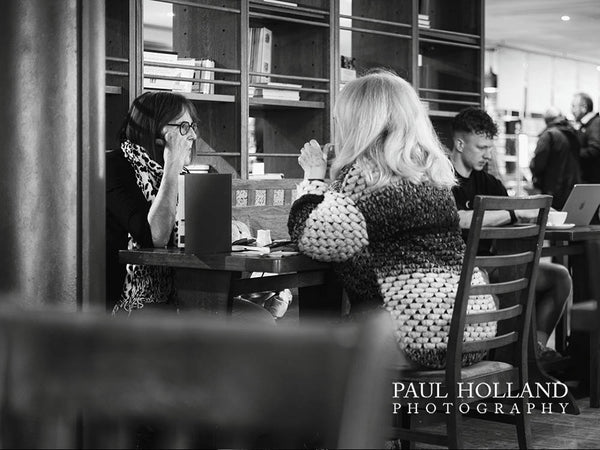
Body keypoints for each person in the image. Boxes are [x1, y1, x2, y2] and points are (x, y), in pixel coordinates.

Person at [287, 69, 497, 370]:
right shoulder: (432, 172)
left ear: (358, 123)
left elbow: (309, 234)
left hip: (421, 336)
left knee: (312, 346)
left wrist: (314, 177)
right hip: (471, 329)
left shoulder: (365, 175)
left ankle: (338, 416)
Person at [106, 91, 276, 322]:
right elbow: (155, 237)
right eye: (184, 126)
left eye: (193, 125)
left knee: (259, 319)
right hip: (131, 301)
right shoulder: (116, 167)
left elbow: (199, 238)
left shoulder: (180, 176)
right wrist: (172, 164)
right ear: (155, 131)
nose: (193, 135)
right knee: (254, 323)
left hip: (186, 293)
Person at [450, 107, 572, 360]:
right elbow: (459, 219)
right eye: (481, 147)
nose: (488, 154)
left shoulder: (488, 182)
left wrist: (532, 214)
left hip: (494, 265)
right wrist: (516, 212)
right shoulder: (442, 180)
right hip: (459, 269)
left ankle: (533, 352)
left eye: (490, 147)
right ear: (460, 144)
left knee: (559, 277)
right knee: (513, 277)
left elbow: (509, 216)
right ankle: (507, 360)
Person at [529, 106, 581, 210]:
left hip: (552, 190)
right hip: (572, 189)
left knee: (552, 222)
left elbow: (538, 163)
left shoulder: (549, 135)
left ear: (546, 120)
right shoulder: (574, 134)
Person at [571, 92, 600, 184]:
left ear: (584, 107)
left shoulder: (595, 124)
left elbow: (595, 150)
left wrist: (572, 153)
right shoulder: (585, 125)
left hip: (591, 182)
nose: (572, 110)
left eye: (573, 106)